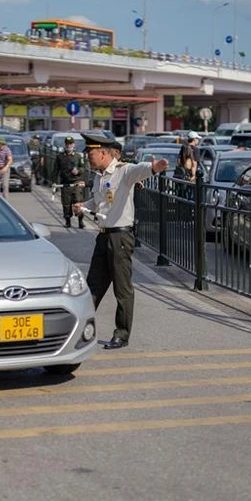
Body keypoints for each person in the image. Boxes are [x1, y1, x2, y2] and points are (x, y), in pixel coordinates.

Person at [73, 132, 169, 350]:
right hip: (103, 235)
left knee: (122, 289)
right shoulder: (99, 176)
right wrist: (83, 206)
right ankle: (79, 331)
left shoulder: (124, 172)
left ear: (104, 153)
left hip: (120, 238)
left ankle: (122, 334)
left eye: (91, 153)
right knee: (93, 286)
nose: (88, 156)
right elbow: (99, 203)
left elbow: (142, 170)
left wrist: (155, 167)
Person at [53, 135, 86, 228]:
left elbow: (83, 167)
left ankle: (80, 221)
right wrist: (54, 181)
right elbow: (56, 170)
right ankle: (67, 221)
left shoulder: (78, 156)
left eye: (70, 144)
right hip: (65, 183)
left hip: (76, 183)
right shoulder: (60, 157)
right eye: (67, 144)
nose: (69, 146)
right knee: (66, 204)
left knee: (78, 202)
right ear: (65, 145)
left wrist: (78, 171)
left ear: (74, 145)